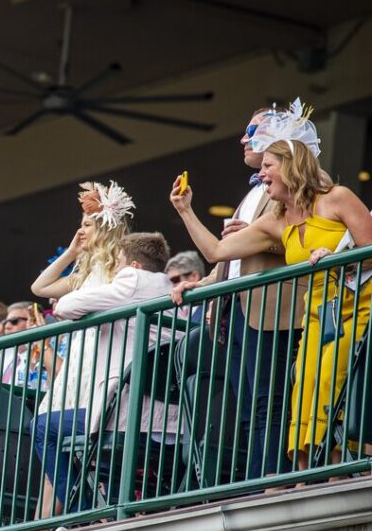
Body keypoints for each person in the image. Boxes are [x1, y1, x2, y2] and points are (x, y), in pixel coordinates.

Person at [169, 99, 372, 471]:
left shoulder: (338, 198)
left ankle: (335, 463)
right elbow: (216, 250)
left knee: (324, 380)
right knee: (302, 386)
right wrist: (185, 210)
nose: (261, 175)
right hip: (317, 313)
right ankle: (305, 472)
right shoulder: (277, 220)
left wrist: (337, 255)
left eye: (267, 166)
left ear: (290, 165)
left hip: (355, 308)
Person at [171, 105, 309, 481]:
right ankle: (256, 482)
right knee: (248, 406)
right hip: (236, 309)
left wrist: (257, 242)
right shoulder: (254, 192)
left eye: (252, 129)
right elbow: (226, 256)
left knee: (269, 400)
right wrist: (204, 282)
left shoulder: (303, 179)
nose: (243, 138)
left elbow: (309, 236)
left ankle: (271, 481)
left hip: (272, 307)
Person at [32, 233, 175, 519]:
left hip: (123, 414)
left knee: (42, 426)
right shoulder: (170, 290)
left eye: (119, 264)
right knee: (99, 451)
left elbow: (65, 305)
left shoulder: (133, 279)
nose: (116, 271)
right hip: (167, 421)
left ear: (134, 264)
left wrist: (76, 308)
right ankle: (102, 510)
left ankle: (79, 510)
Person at [31, 181, 134, 434]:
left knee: (77, 436)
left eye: (87, 225)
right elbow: (39, 288)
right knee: (54, 432)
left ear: (105, 228)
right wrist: (70, 252)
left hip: (101, 355)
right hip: (79, 358)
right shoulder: (85, 273)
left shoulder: (122, 269)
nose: (80, 231)